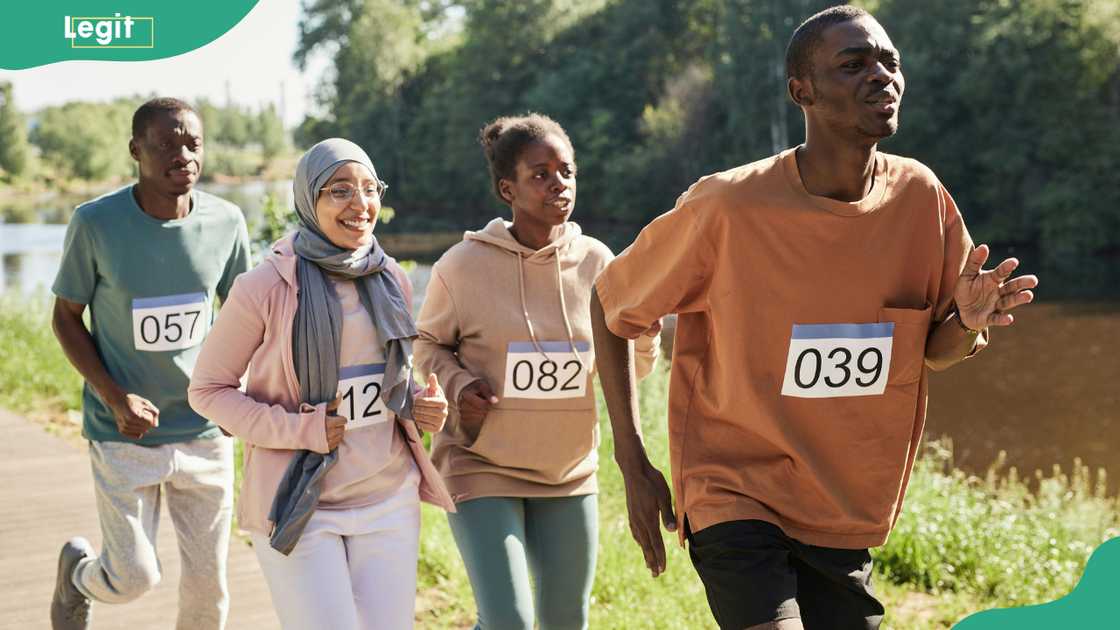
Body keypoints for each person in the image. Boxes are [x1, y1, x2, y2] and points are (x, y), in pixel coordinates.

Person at [590, 6, 1040, 630]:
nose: (881, 76)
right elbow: (610, 304)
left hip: (842, 502)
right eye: (853, 65)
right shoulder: (728, 207)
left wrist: (964, 321)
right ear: (802, 91)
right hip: (733, 489)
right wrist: (632, 461)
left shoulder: (922, 198)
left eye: (889, 63)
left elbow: (935, 351)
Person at [188, 138, 454, 630]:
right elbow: (207, 391)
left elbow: (383, 380)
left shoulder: (391, 277)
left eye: (370, 189)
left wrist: (417, 403)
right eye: (339, 191)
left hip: (388, 499)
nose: (360, 204)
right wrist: (301, 430)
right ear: (309, 200)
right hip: (300, 505)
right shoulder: (263, 287)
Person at [414, 113, 660, 630]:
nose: (559, 184)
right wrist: (458, 386)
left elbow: (630, 371)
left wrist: (647, 332)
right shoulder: (461, 266)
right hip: (481, 464)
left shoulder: (597, 262)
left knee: (566, 622)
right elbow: (427, 344)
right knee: (509, 621)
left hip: (568, 472)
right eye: (540, 174)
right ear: (508, 188)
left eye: (566, 171)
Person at [48, 97, 251, 630]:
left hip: (205, 429)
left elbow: (246, 319)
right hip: (124, 433)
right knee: (135, 577)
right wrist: (115, 397)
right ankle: (78, 576)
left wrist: (241, 394)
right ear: (136, 150)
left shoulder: (227, 222)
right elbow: (66, 319)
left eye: (192, 144)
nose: (182, 155)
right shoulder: (95, 223)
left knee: (211, 591)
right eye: (166, 144)